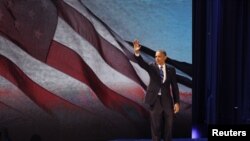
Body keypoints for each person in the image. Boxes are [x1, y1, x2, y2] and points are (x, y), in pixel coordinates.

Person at [133, 39, 180, 141]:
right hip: (155, 100)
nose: (157, 58)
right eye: (155, 56)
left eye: (159, 56)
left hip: (167, 101)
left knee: (169, 125)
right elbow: (141, 63)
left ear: (165, 57)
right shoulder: (151, 67)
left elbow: (175, 87)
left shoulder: (171, 69)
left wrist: (176, 102)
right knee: (155, 127)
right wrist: (137, 52)